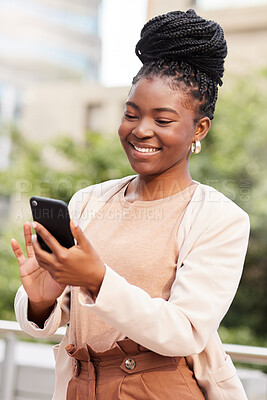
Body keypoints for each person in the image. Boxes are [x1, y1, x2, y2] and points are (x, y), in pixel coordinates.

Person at [12, 9, 250, 400]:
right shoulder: (90, 200)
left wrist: (95, 278)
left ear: (199, 128)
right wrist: (42, 298)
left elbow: (184, 331)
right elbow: (58, 320)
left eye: (163, 119)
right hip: (79, 384)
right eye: (131, 114)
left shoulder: (219, 218)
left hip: (159, 387)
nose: (141, 130)